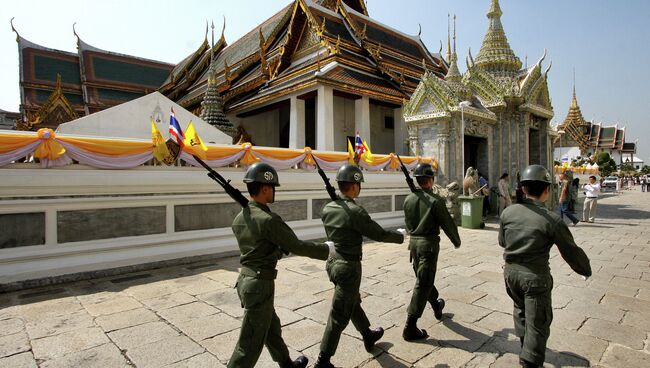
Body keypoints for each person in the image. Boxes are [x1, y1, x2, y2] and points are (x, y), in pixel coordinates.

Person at [228, 162, 333, 368]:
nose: (274, 192)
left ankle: (286, 364)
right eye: (273, 187)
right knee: (248, 345)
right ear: (265, 188)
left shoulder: (240, 218)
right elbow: (298, 246)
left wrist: (276, 250)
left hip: (246, 281)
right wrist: (327, 250)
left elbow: (257, 249)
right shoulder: (268, 220)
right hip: (259, 284)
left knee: (270, 328)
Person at [499, 164, 592, 367]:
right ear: (548, 190)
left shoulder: (508, 213)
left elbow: (502, 242)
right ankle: (530, 362)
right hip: (534, 278)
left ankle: (525, 349)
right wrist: (585, 269)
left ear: (523, 188)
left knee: (521, 312)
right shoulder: (552, 220)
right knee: (538, 322)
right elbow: (571, 252)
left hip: (511, 274)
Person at [314, 165, 405, 368]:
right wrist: (400, 236)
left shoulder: (328, 208)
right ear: (354, 186)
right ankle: (323, 359)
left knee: (352, 301)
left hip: (332, 263)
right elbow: (378, 234)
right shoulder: (355, 211)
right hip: (349, 266)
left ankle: (367, 334)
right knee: (339, 315)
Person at [401, 163, 461, 341]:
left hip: (413, 246)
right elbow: (447, 223)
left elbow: (408, 222)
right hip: (428, 246)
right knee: (423, 283)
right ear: (432, 180)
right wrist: (456, 241)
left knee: (424, 280)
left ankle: (436, 303)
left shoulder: (408, 199)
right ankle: (410, 326)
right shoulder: (435, 201)